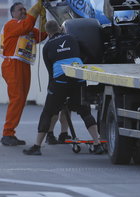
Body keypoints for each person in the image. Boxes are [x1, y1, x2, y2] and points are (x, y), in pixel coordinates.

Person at [22, 20, 104, 156]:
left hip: (60, 80)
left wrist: (52, 90)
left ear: (48, 33)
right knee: (85, 111)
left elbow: (50, 71)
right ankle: (97, 144)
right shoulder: (72, 38)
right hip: (78, 76)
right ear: (60, 29)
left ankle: (37, 146)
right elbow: (87, 53)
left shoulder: (47, 46)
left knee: (48, 112)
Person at [0, 0, 48, 146]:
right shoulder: (12, 24)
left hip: (23, 64)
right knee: (17, 98)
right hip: (12, 63)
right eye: (20, 10)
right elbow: (27, 25)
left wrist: (43, 15)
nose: (23, 11)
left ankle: (10, 132)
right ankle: (7, 133)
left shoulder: (27, 27)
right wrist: (36, 8)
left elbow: (42, 35)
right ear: (13, 13)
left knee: (21, 100)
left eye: (25, 9)